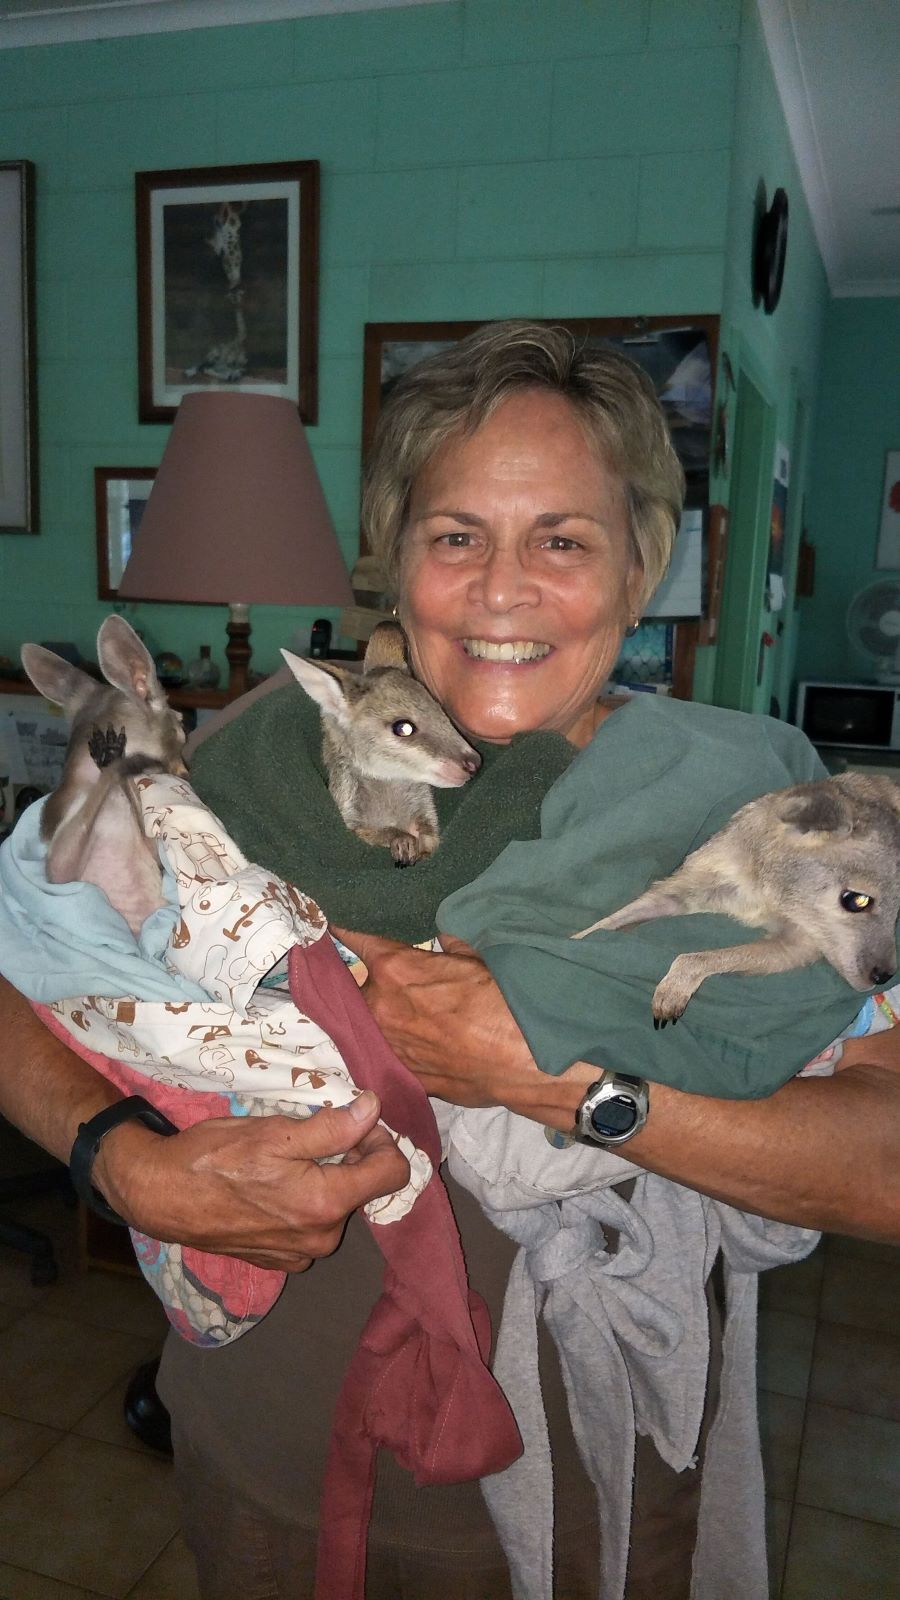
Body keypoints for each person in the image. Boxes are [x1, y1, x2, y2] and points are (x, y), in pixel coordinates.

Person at [0, 321, 897, 1600]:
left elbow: (888, 1157)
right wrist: (127, 1163)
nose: (500, 592)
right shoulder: (247, 752)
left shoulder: (748, 804)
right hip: (265, 1466)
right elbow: (26, 951)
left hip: (592, 1499)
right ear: (400, 561)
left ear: (641, 564)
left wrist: (562, 1082)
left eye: (563, 541)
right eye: (457, 535)